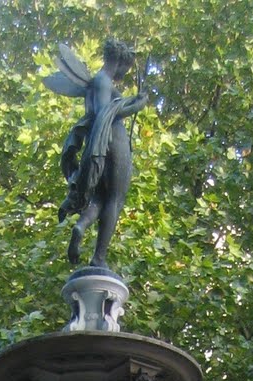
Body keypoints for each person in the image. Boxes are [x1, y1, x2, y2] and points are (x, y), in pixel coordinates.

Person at [47, 40, 145, 270]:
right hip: (113, 141)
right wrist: (136, 105)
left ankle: (81, 226)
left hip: (99, 143)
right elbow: (105, 113)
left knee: (100, 197)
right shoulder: (103, 81)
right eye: (125, 69)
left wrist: (131, 101)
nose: (124, 74)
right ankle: (99, 257)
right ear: (119, 62)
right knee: (115, 199)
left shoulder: (95, 82)